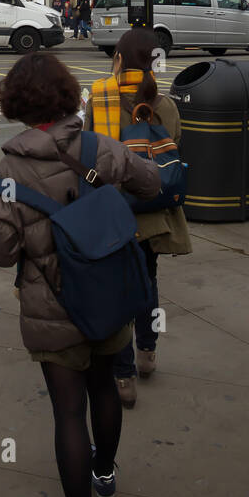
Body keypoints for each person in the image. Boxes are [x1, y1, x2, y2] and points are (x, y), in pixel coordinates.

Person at [0, 51, 163, 497]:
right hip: (107, 293)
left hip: (53, 307)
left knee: (67, 412)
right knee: (105, 385)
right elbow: (152, 183)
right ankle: (105, 473)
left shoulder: (12, 168)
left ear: (16, 103)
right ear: (65, 97)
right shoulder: (99, 147)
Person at [83, 27, 191, 407]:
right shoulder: (166, 105)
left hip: (113, 211)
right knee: (148, 283)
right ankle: (148, 354)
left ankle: (123, 375)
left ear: (118, 60)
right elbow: (175, 150)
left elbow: (88, 150)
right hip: (152, 214)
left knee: (117, 291)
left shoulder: (100, 97)